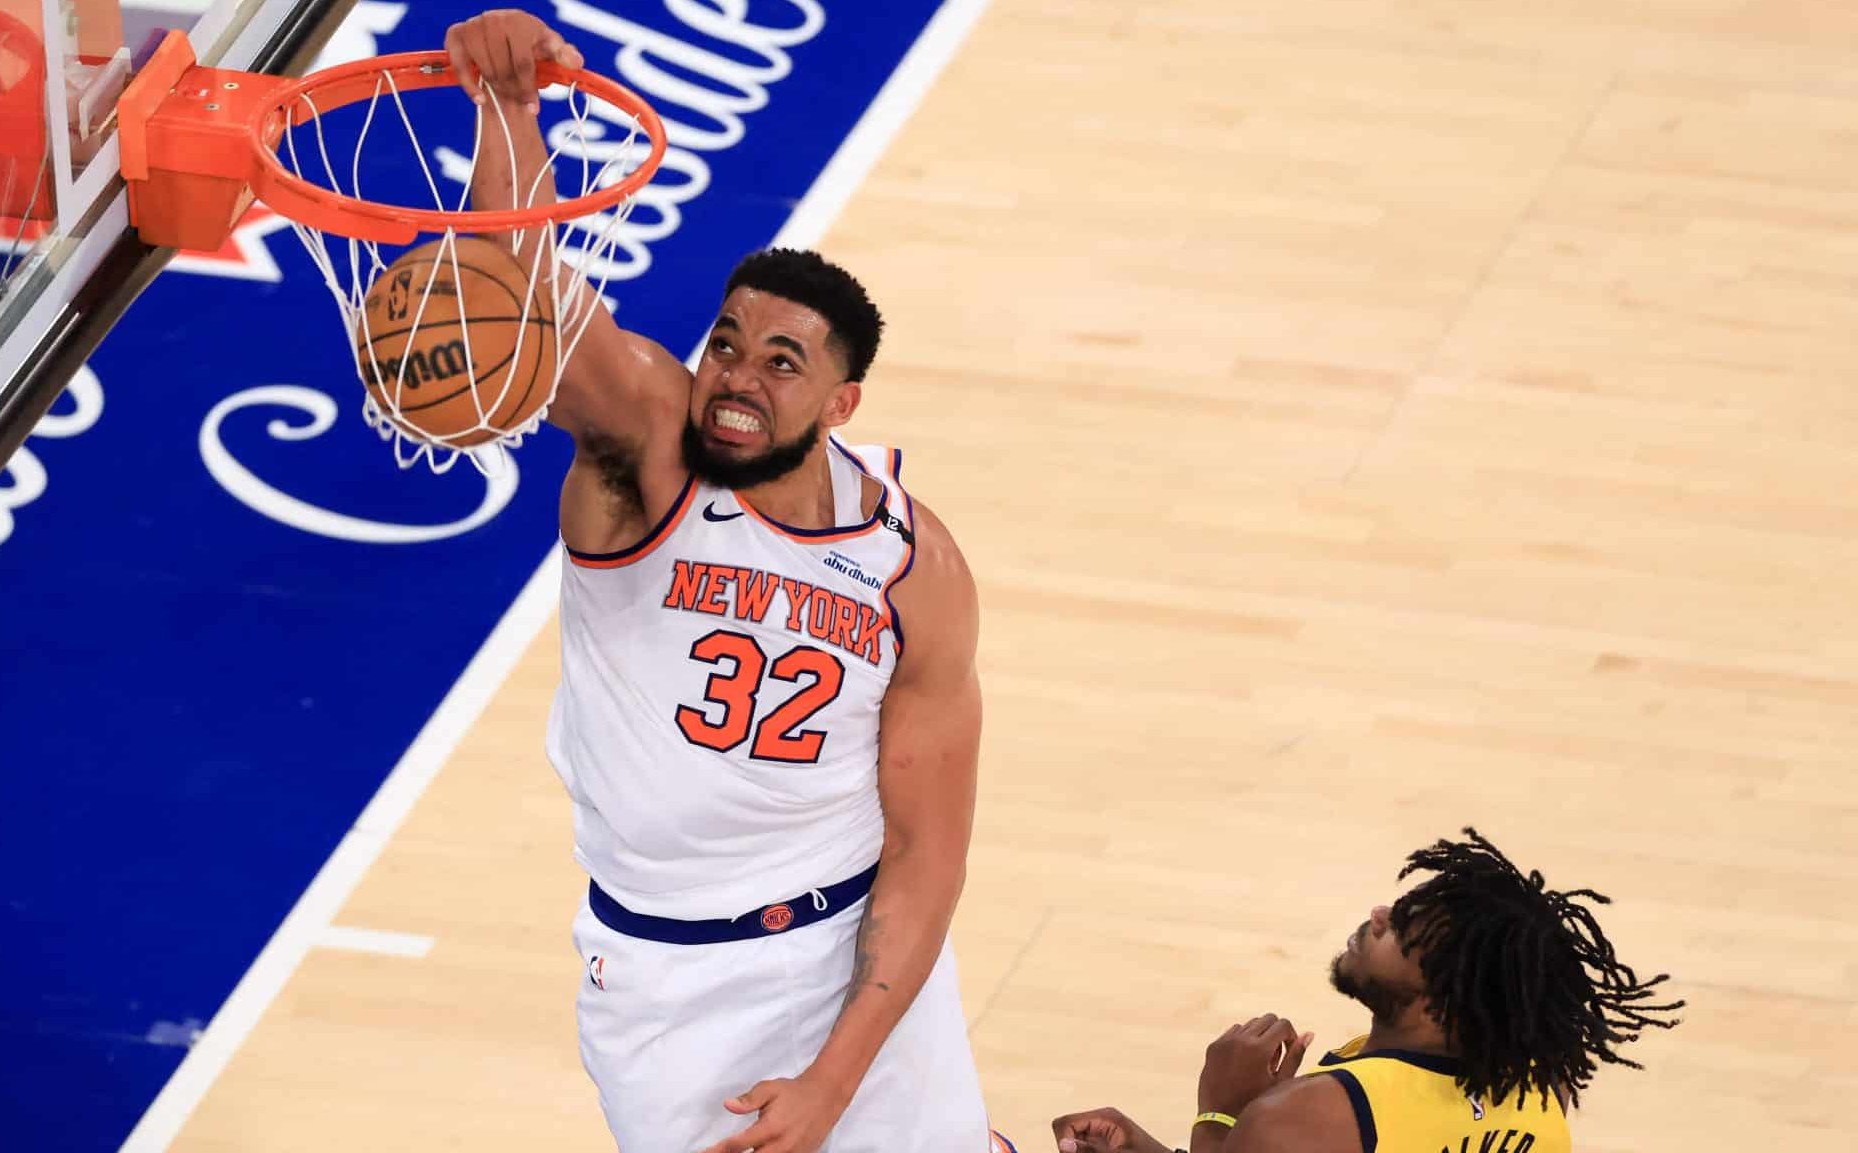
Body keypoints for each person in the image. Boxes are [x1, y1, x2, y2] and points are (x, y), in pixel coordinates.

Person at [442, 11, 998, 1153]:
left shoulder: (912, 564)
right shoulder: (645, 459)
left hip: (858, 958)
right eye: (728, 344)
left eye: (781, 364)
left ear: (841, 407)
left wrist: (835, 1082)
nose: (736, 379)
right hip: (668, 982)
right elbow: (530, 308)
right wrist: (506, 108)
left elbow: (927, 853)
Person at [1053, 829, 1682, 1153]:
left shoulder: (1309, 1117)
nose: (1379, 913)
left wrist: (1224, 1113)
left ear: (1443, 996)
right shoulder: (1537, 1096)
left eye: (1401, 930)